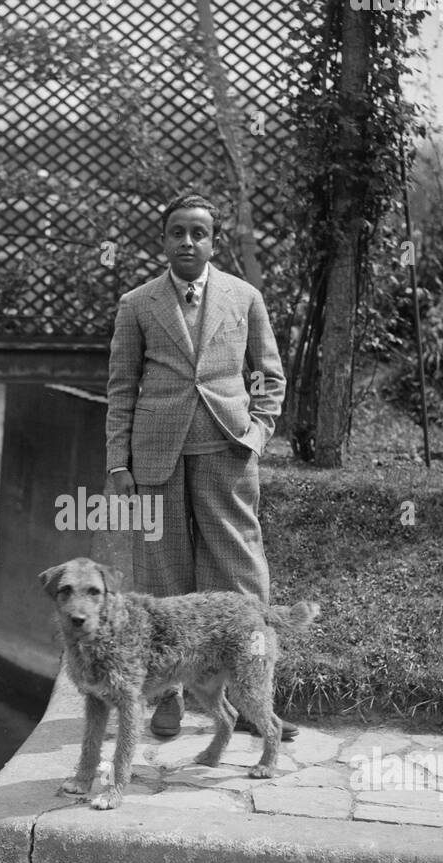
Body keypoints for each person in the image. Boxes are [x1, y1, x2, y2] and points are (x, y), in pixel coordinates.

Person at [105, 192, 298, 741]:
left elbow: (269, 375)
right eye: (176, 232)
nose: (187, 242)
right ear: (164, 240)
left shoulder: (245, 297)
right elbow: (121, 388)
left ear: (214, 241)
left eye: (198, 233)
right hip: (155, 458)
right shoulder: (137, 303)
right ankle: (166, 700)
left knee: (238, 574)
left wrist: (257, 434)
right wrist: (118, 461)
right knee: (162, 579)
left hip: (226, 450)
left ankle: (256, 702)